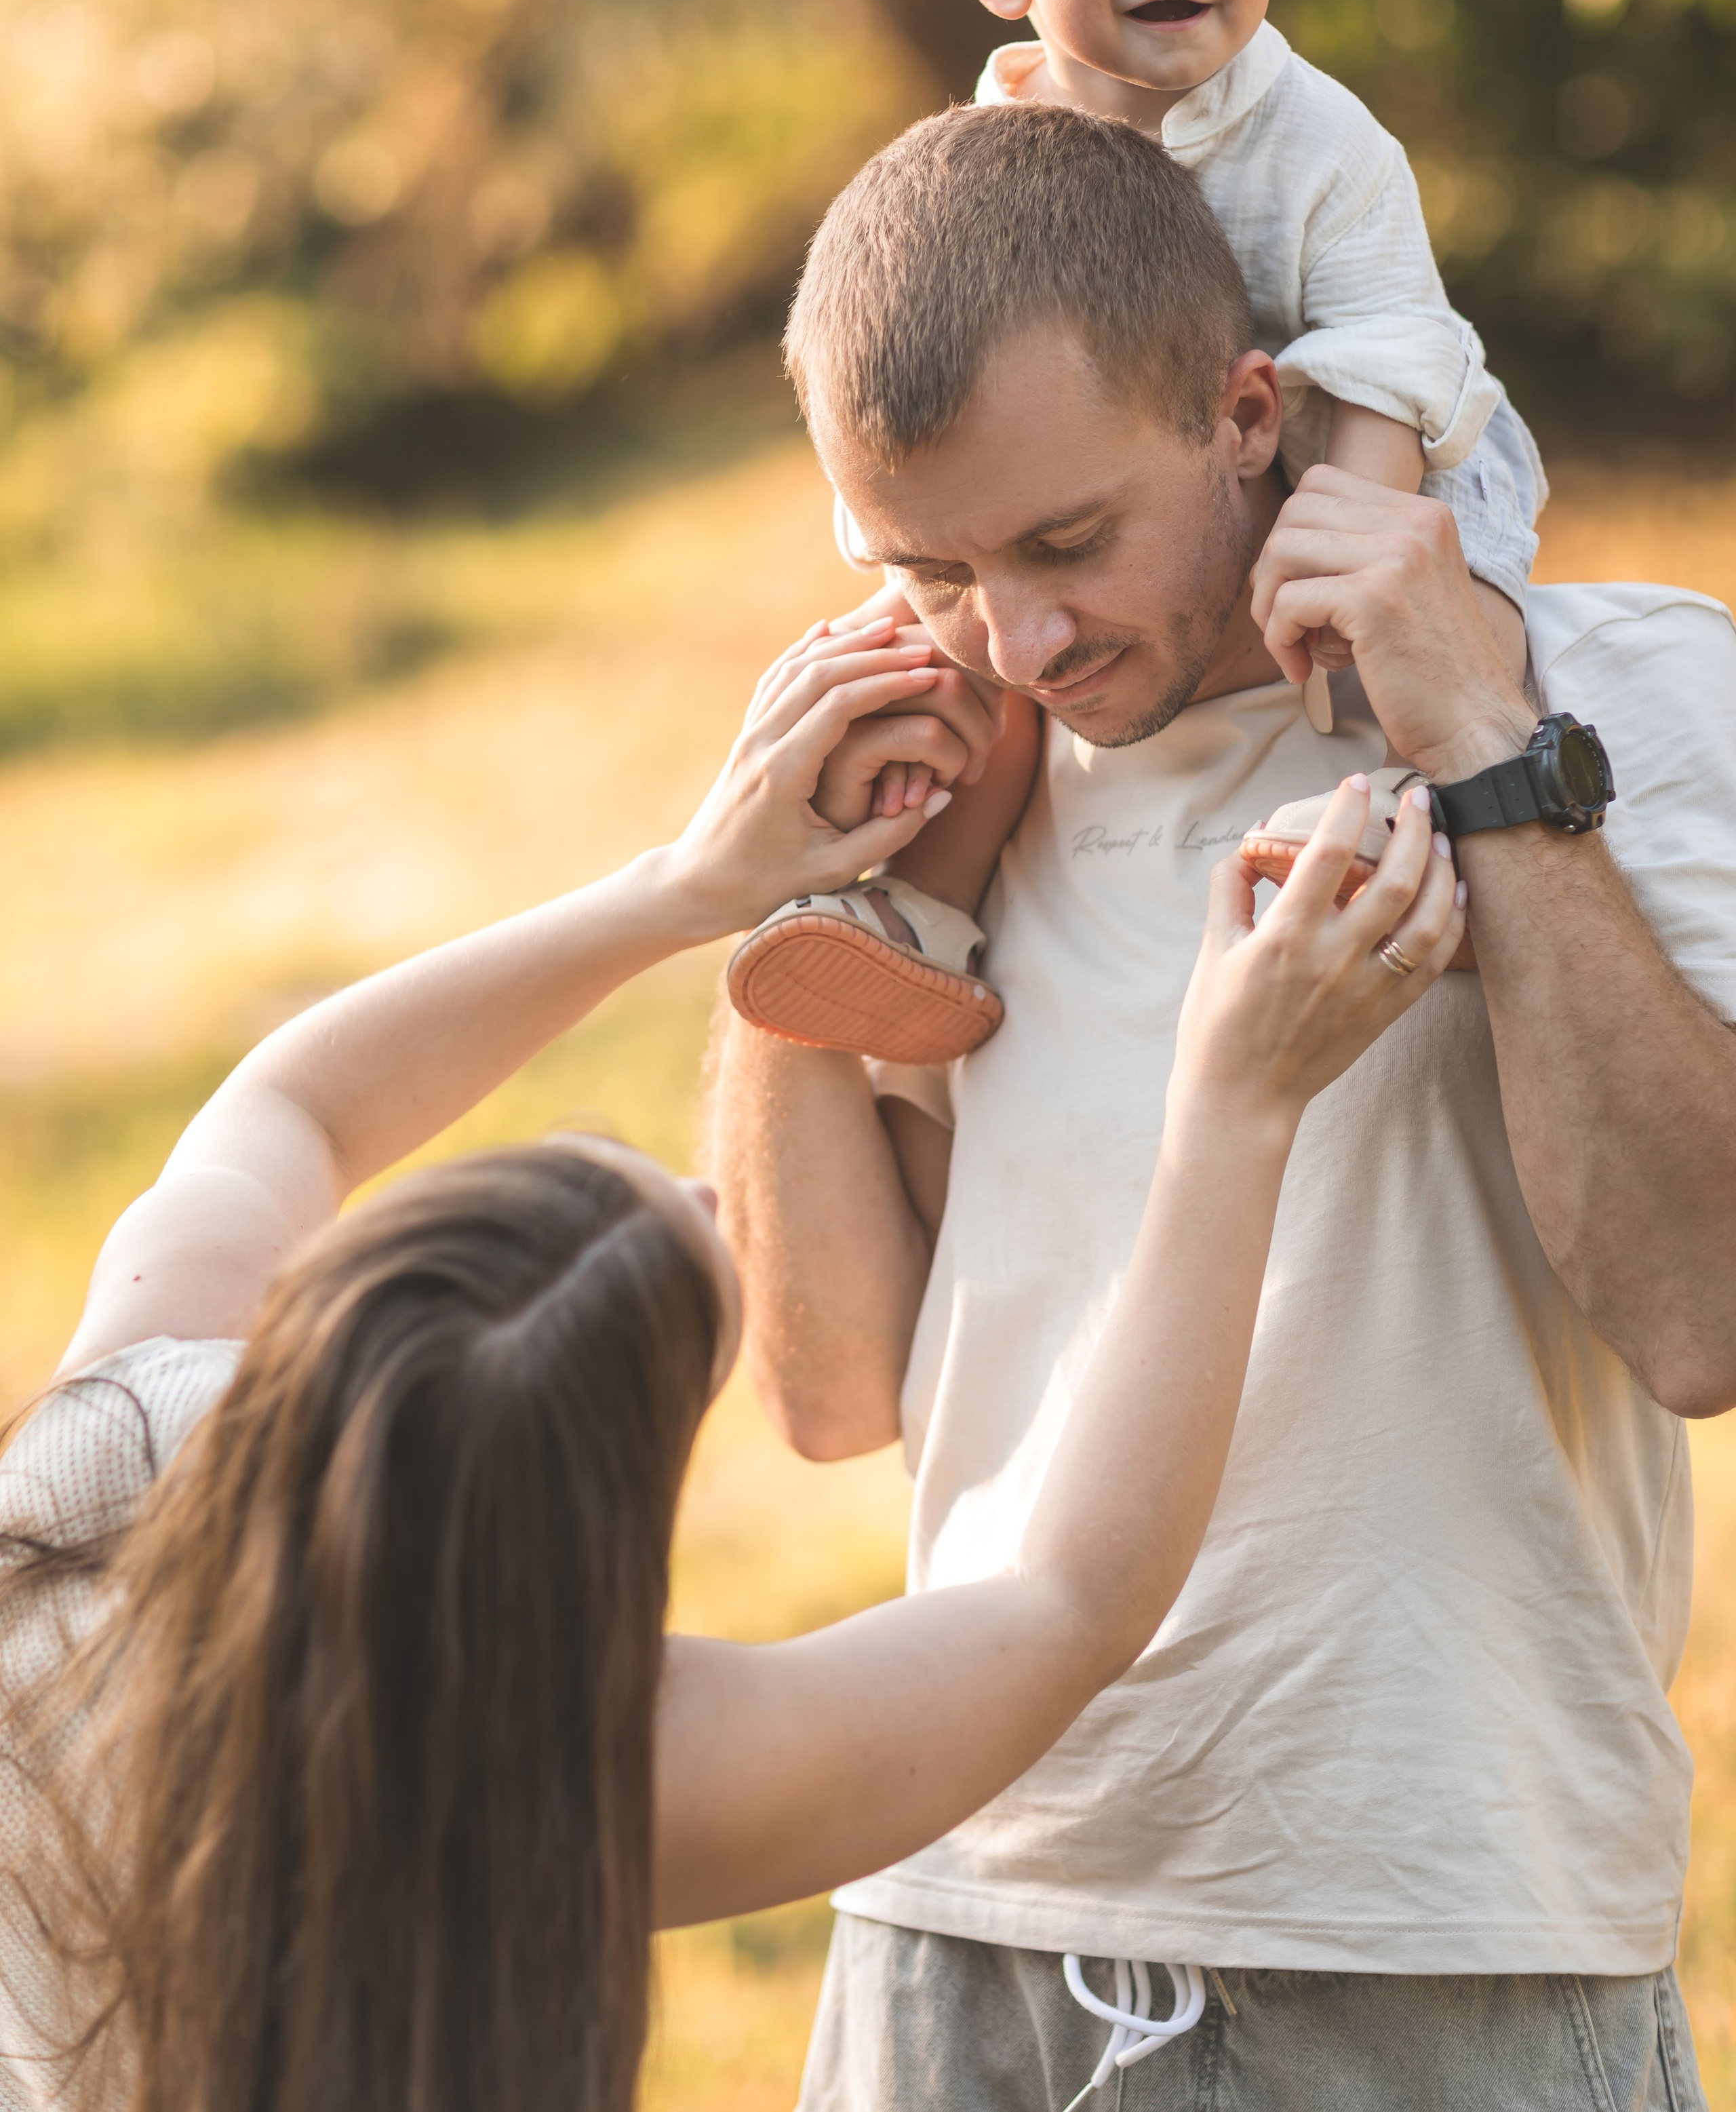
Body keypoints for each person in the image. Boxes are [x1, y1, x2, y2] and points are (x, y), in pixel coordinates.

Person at [0, 627, 1461, 2112]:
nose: (716, 1201)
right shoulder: (587, 1766)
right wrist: (1236, 1100)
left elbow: (290, 1106)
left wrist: (692, 881)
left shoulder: (108, 1460)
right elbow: (1071, 1603)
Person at [708, 99, 1736, 2111]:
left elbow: (1706, 1315)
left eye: (1068, 542)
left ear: (1247, 413)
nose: (1020, 638)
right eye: (932, 565)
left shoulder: (1625, 693)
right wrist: (782, 909)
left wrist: (1488, 744)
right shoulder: (970, 781)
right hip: (950, 1919)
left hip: (1434, 1940)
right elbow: (836, 1389)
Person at [726, 0, 1547, 1066]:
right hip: (1121, 460)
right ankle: (914, 925)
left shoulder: (1321, 145)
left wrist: (1344, 552)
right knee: (980, 643)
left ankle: (1428, 841)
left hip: (1362, 435)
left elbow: (1394, 355)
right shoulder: (997, 142)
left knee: (1440, 629)